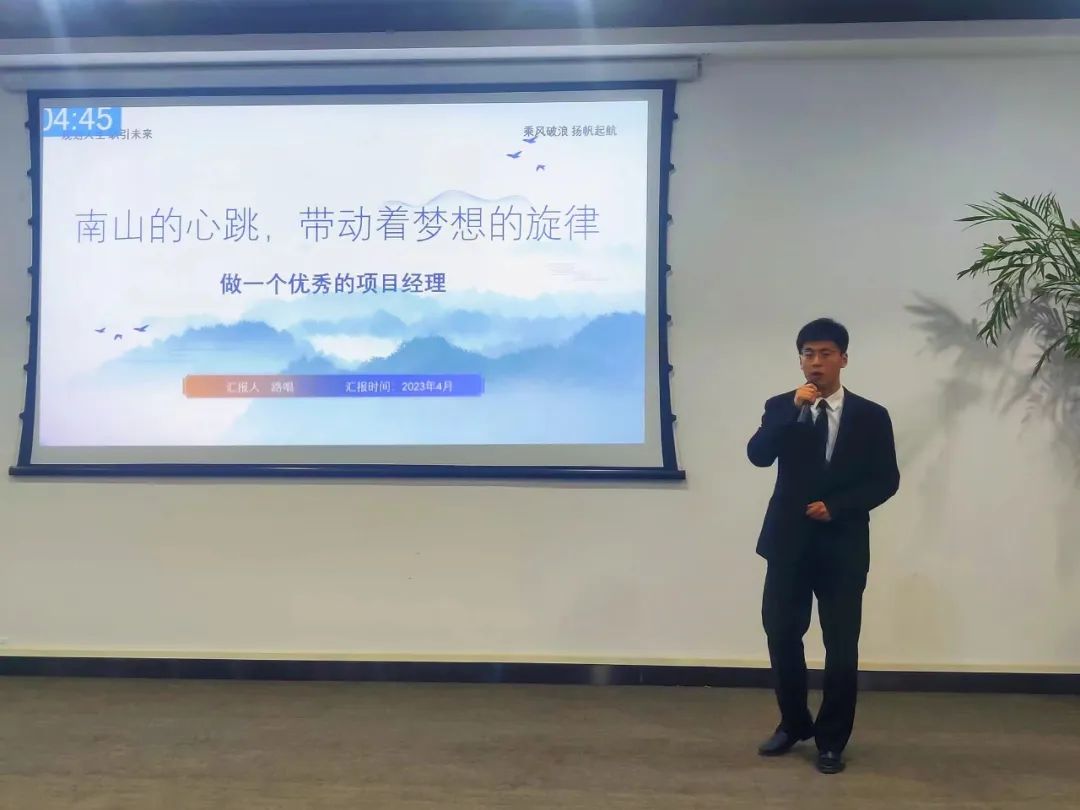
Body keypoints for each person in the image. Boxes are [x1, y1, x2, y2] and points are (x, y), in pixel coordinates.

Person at [746, 318, 899, 774]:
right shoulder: (781, 406)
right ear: (800, 360)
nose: (816, 362)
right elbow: (758, 455)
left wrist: (838, 506)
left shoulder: (871, 415)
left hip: (842, 546)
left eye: (826, 354)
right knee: (781, 634)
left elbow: (886, 480)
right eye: (808, 354)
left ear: (843, 359)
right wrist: (791, 411)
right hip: (787, 544)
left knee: (841, 644)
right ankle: (794, 722)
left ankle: (831, 740)